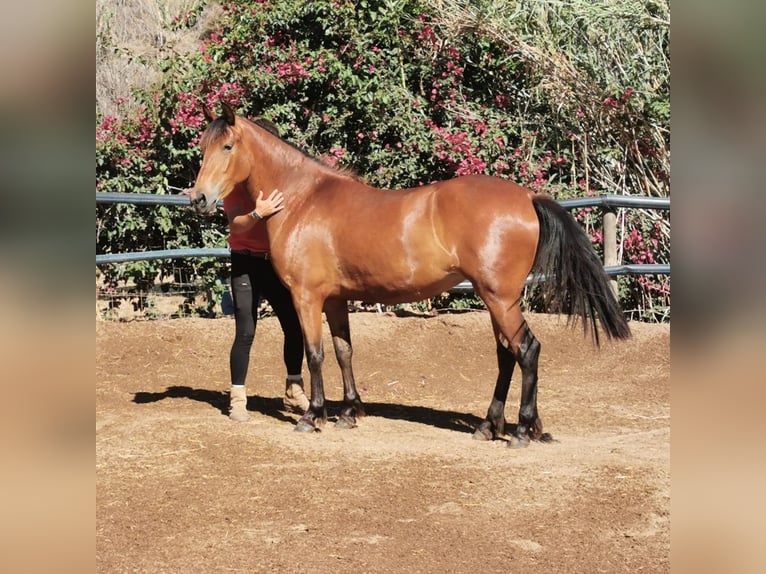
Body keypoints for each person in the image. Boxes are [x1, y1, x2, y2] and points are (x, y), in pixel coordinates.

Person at [222, 183, 309, 421]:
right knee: (245, 332)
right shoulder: (235, 190)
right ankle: (238, 399)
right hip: (245, 262)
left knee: (293, 327)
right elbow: (236, 226)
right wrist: (258, 213)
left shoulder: (276, 185)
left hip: (274, 262)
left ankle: (294, 389)